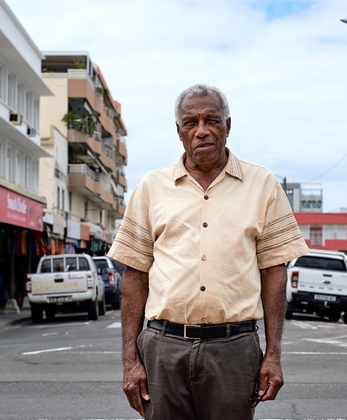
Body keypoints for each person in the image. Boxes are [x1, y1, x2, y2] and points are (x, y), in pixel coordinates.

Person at [107, 84, 309, 419]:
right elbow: (135, 273)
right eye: (191, 122)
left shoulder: (263, 186)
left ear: (228, 126)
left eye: (212, 120)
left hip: (233, 350)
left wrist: (273, 354)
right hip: (162, 348)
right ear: (179, 131)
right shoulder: (150, 188)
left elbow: (275, 271)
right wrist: (130, 360)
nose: (202, 131)